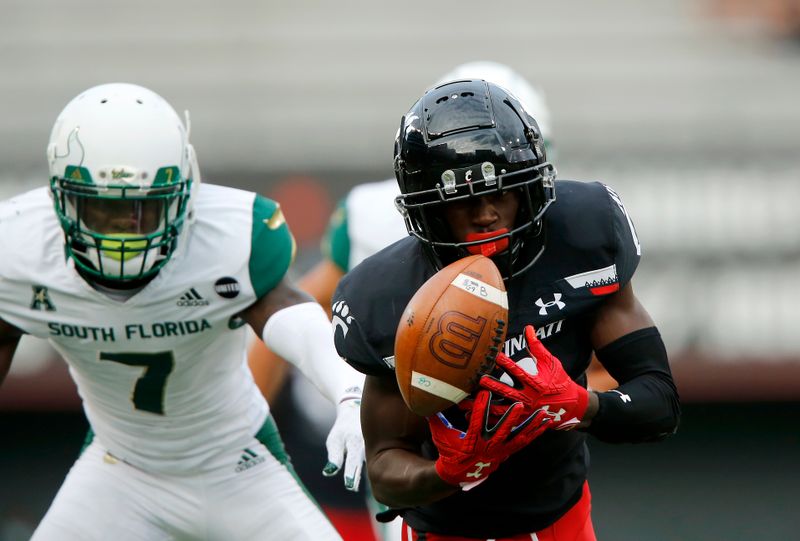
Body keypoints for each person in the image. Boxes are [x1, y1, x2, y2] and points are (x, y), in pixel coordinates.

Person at [0, 83, 366, 541]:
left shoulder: (226, 233)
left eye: (142, 212)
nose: (122, 237)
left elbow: (290, 314)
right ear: (61, 199)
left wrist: (349, 392)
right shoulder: (17, 248)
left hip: (237, 465)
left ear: (183, 194)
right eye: (102, 212)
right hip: (119, 471)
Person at [332, 79, 681, 540]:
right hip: (445, 530)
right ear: (429, 212)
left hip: (561, 517)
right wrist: (448, 473)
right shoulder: (389, 296)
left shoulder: (582, 235)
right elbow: (384, 464)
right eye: (463, 200)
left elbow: (659, 403)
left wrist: (579, 405)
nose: (485, 214)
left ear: (531, 186)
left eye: (501, 192)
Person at [247, 62, 559, 541]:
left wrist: (548, 406)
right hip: (392, 433)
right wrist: (249, 433)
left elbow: (602, 366)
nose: (492, 196)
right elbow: (292, 314)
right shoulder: (373, 219)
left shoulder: (563, 227)